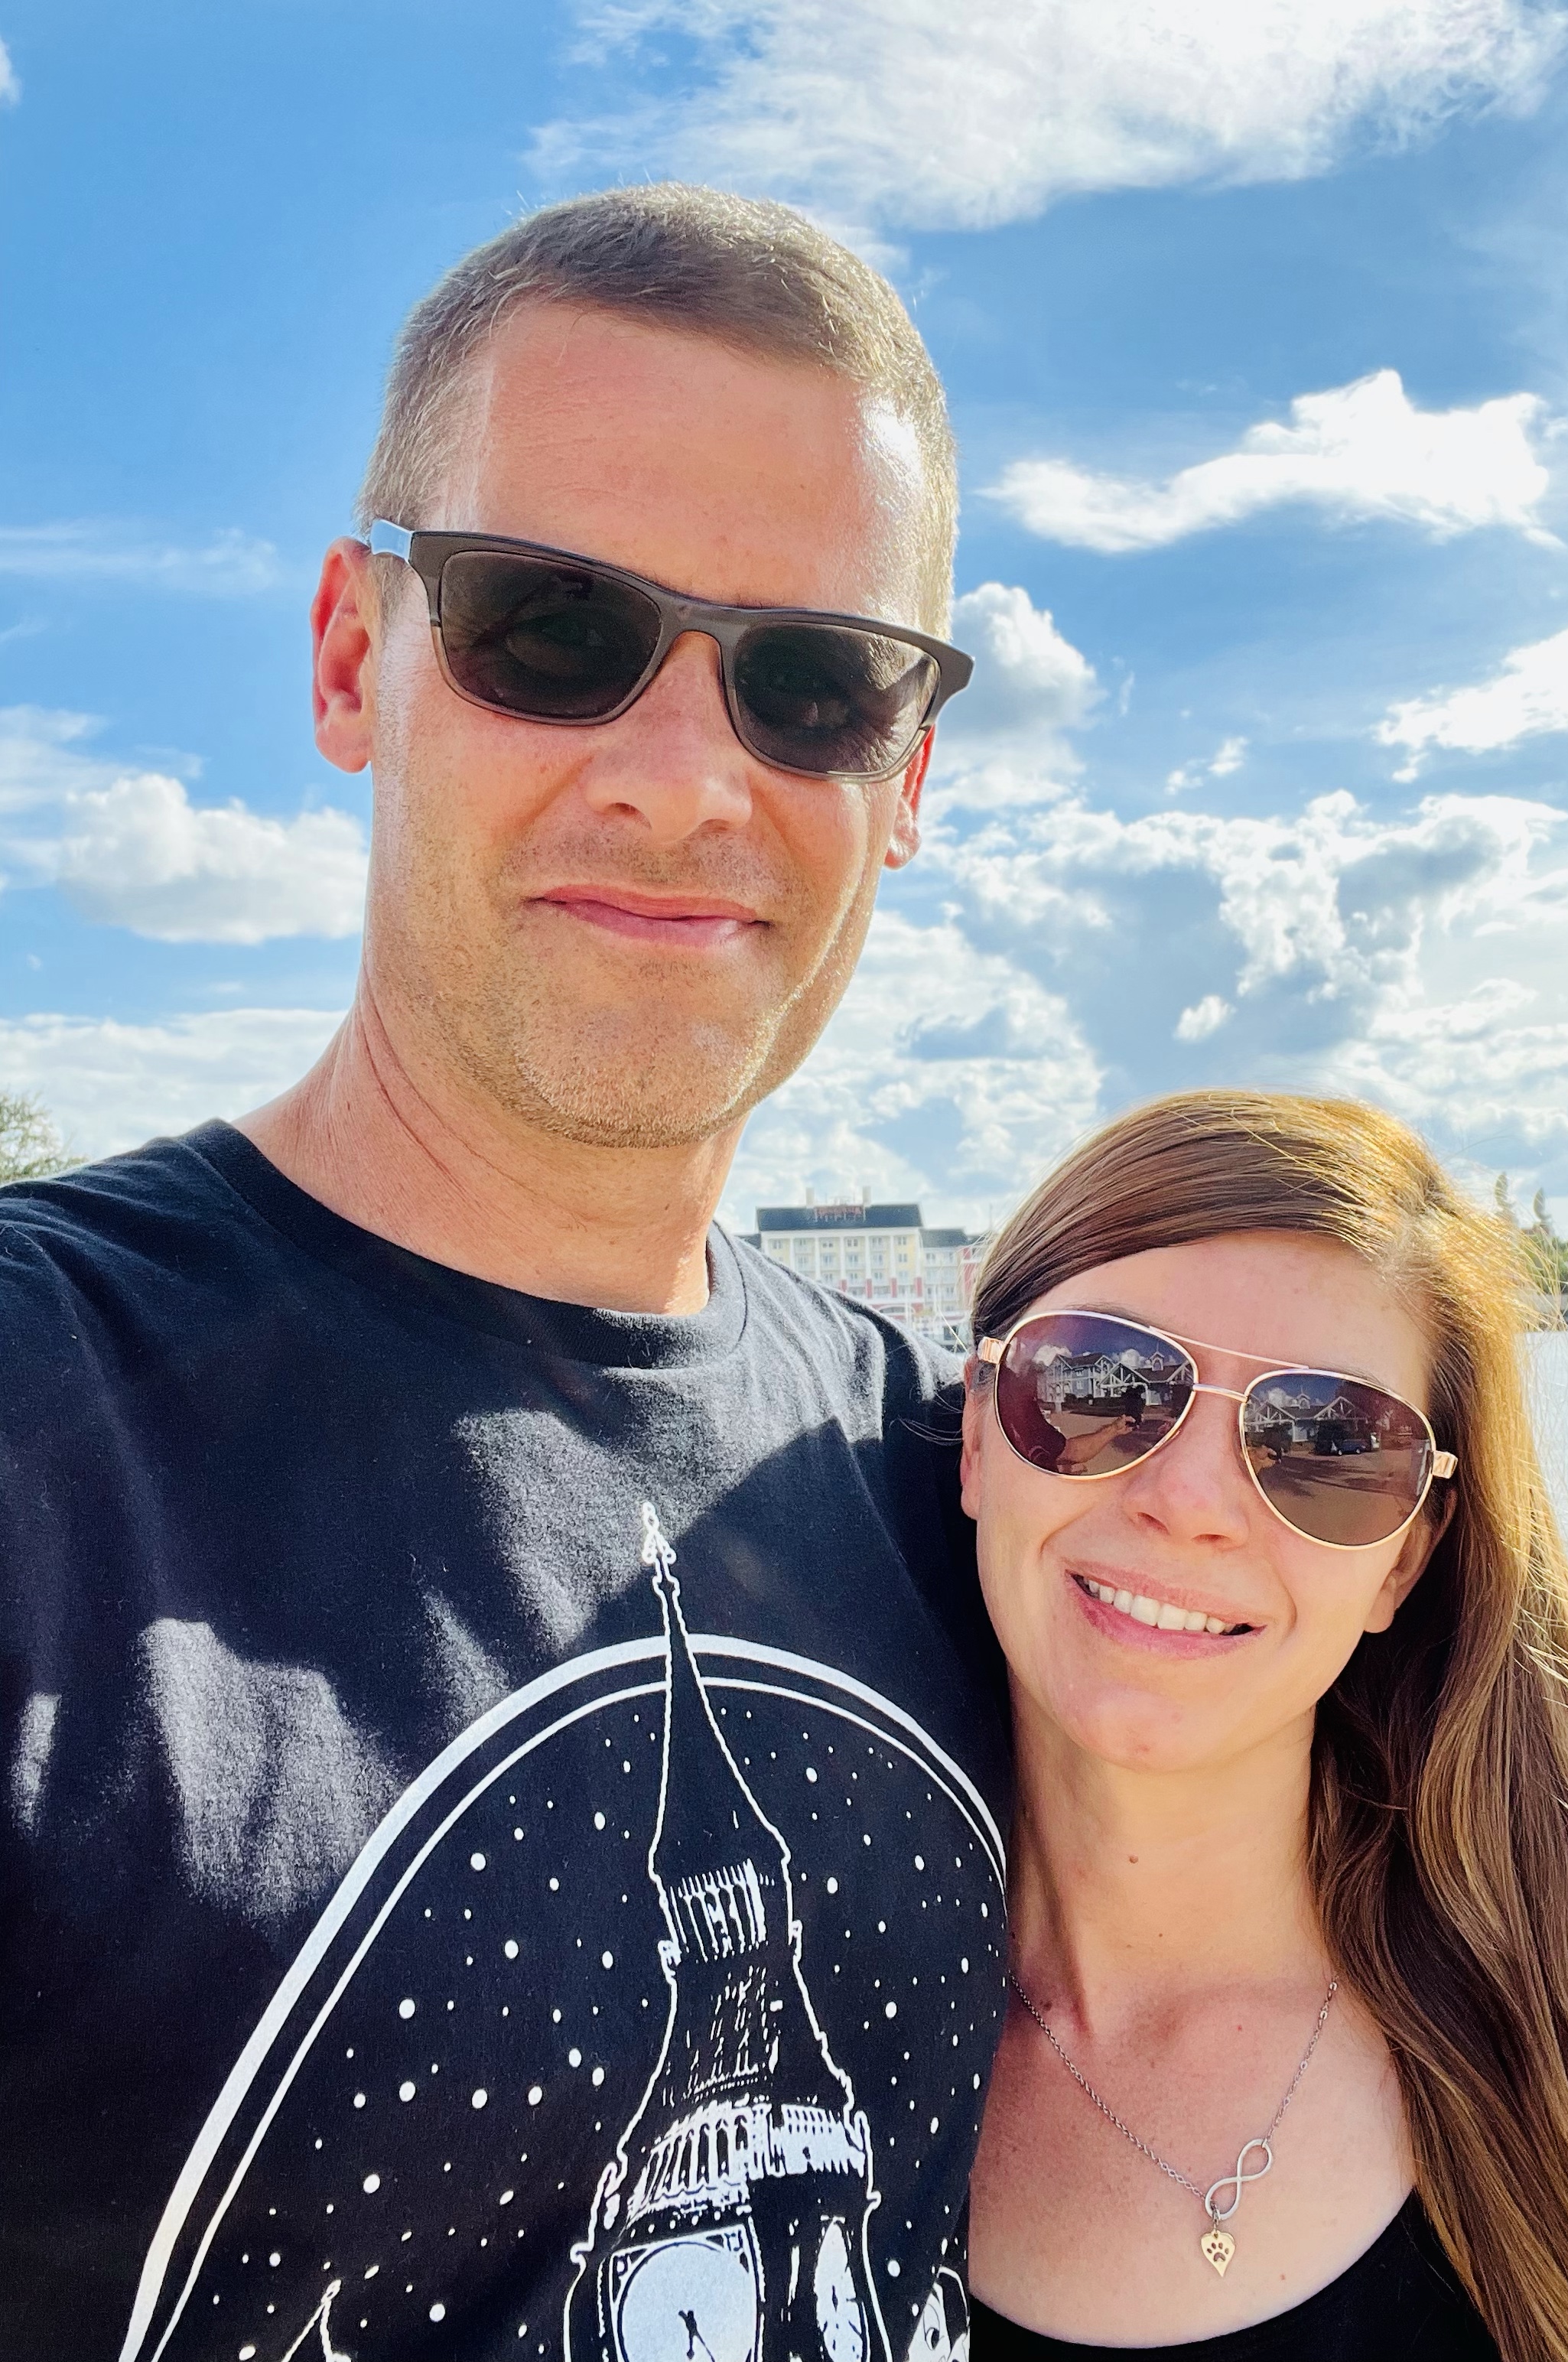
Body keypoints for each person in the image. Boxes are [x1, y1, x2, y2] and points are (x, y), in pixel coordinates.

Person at [0, 186, 1009, 2361]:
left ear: (908, 773)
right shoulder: (37, 1434)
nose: (683, 779)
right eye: (552, 627)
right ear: (350, 657)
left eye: (812, 682)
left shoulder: (959, 1485)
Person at [958, 1091, 1568, 2361]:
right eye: (1102, 1381)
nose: (1191, 1500)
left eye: (1330, 1442)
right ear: (975, 1431)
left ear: (1405, 1559)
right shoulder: (782, 2045)